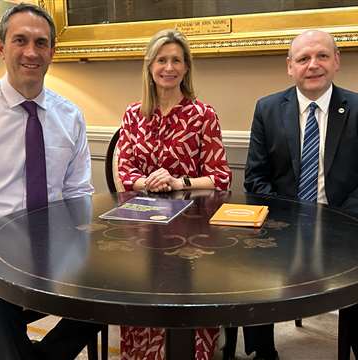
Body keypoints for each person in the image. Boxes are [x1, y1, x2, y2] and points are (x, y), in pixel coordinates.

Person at [0, 4, 102, 360]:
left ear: (52, 52)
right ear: (0, 47)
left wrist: (81, 244)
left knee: (105, 288)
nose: (31, 52)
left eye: (41, 43)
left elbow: (78, 194)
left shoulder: (70, 116)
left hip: (47, 243)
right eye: (20, 41)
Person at [236, 30, 358, 360]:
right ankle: (262, 351)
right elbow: (255, 178)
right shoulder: (267, 109)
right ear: (290, 67)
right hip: (284, 225)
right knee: (244, 264)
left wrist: (334, 223)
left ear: (337, 61)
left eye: (321, 56)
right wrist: (292, 220)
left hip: (347, 226)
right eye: (303, 58)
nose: (313, 65)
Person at [116, 29, 232, 359]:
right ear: (150, 66)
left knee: (185, 297)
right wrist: (149, 183)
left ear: (186, 68)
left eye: (176, 60)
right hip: (142, 222)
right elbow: (125, 173)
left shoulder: (202, 114)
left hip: (192, 225)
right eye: (162, 60)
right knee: (139, 292)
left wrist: (178, 182)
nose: (169, 67)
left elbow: (221, 176)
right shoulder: (132, 114)